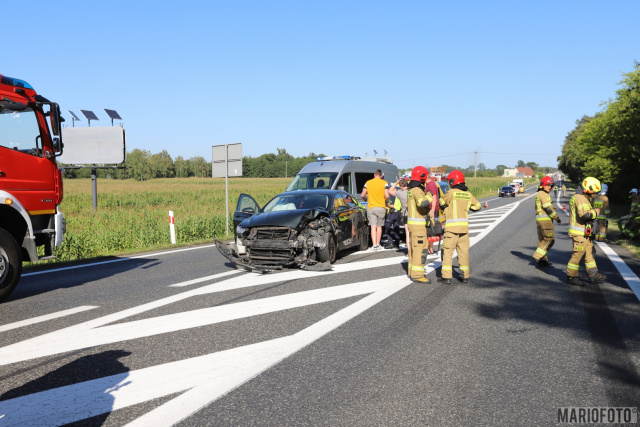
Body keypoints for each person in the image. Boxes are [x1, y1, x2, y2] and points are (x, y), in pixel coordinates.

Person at [438, 170, 482, 284]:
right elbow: (477, 206)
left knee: (447, 252)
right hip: (464, 230)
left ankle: (447, 277)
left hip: (451, 230)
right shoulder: (468, 194)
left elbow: (441, 202)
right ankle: (465, 276)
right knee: (463, 252)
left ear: (453, 181)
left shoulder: (451, 193)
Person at [566, 177, 604, 286]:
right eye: (594, 192)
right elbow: (585, 215)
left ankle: (593, 274)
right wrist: (596, 212)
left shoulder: (583, 197)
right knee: (578, 255)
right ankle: (571, 277)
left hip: (585, 233)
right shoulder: (580, 198)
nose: (594, 195)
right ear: (588, 189)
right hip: (579, 234)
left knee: (589, 254)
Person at [406, 166, 433, 283]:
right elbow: (422, 203)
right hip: (418, 227)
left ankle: (412, 271)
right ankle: (418, 275)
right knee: (420, 250)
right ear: (422, 176)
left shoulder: (411, 189)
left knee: (413, 249)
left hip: (413, 225)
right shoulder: (417, 190)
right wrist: (430, 195)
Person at [531, 176, 561, 267]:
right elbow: (547, 208)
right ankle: (537, 256)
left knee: (542, 240)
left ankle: (543, 259)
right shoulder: (544, 194)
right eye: (549, 185)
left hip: (539, 219)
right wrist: (557, 218)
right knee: (550, 240)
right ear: (544, 185)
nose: (550, 188)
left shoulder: (539, 193)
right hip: (545, 220)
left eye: (551, 186)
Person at [361, 169, 389, 251]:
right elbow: (387, 196)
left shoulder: (368, 182)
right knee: (379, 226)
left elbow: (362, 195)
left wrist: (366, 199)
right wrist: (385, 201)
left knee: (373, 226)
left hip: (371, 207)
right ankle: (378, 244)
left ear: (374, 175)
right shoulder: (384, 183)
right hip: (381, 207)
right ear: (381, 176)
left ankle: (374, 245)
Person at [388, 178, 410, 253]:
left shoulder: (400, 193)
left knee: (407, 233)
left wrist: (396, 182)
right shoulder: (412, 191)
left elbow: (390, 190)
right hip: (414, 215)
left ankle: (409, 252)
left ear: (401, 186)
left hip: (406, 215)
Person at [425, 174, 441, 254]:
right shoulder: (430, 184)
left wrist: (432, 211)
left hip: (432, 209)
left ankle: (430, 248)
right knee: (431, 228)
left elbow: (434, 199)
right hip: (433, 209)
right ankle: (430, 247)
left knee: (430, 228)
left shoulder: (430, 185)